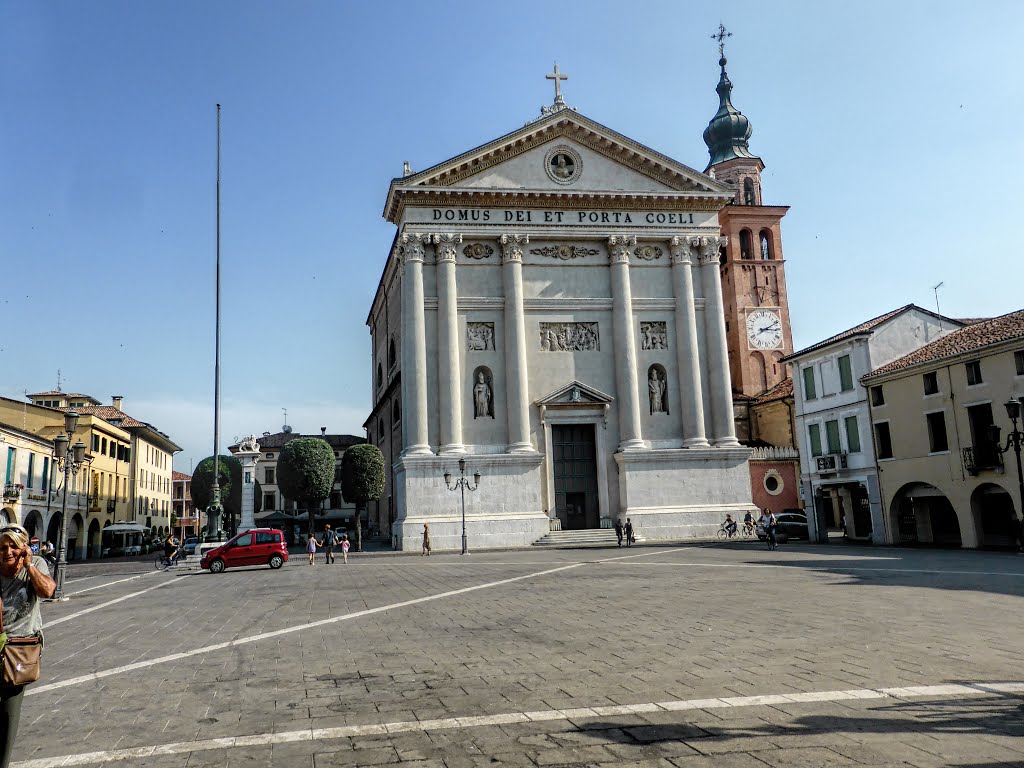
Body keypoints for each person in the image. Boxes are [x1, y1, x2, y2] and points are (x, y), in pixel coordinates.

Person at [0, 523, 55, 767]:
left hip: (20, 652)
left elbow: (48, 590)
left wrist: (30, 565)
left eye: (14, 546)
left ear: (24, 548)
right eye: (2, 547)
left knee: (9, 718)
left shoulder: (37, 565)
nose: (8, 552)